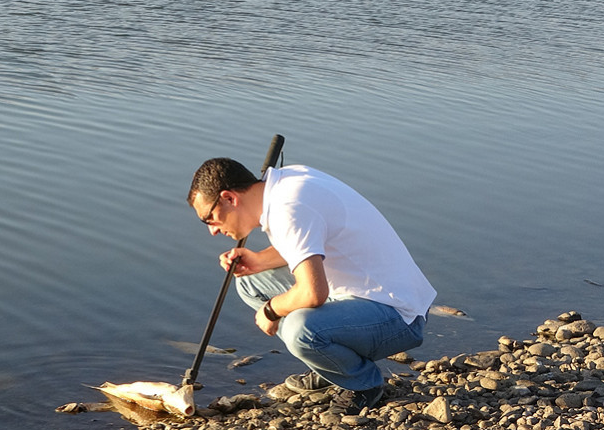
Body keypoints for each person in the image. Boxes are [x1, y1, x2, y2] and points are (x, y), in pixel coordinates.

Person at [187, 158, 436, 415]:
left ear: (229, 198)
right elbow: (309, 238)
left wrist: (272, 310)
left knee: (299, 330)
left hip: (398, 316)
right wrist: (259, 260)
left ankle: (363, 384)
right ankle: (331, 365)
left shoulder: (288, 208)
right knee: (250, 282)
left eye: (209, 219)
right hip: (365, 295)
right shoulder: (286, 182)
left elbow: (313, 293)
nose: (212, 231)